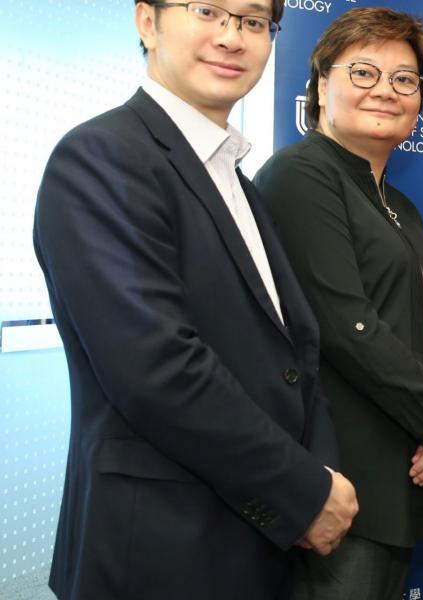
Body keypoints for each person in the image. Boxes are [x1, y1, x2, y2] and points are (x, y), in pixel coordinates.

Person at [33, 1, 358, 598]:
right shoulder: (101, 157)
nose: (232, 37)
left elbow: (294, 357)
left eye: (255, 21)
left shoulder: (235, 177)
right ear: (147, 22)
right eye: (209, 10)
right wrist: (303, 492)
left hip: (261, 542)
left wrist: (325, 475)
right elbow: (155, 368)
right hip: (160, 549)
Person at [254, 8, 423, 599]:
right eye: (363, 72)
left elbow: (417, 334)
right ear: (320, 85)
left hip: (400, 474)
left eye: (405, 79)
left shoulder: (398, 205)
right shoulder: (301, 174)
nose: (386, 90)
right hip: (336, 482)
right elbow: (346, 324)